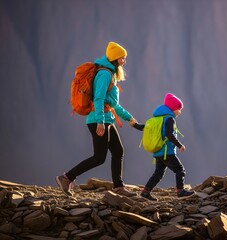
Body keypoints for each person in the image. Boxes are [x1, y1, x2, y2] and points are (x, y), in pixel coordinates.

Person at [56, 41, 138, 197]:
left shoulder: (110, 73)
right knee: (99, 157)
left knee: (118, 151)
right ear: (115, 58)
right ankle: (66, 177)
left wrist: (129, 118)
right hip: (98, 121)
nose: (124, 61)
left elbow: (113, 104)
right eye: (122, 58)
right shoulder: (105, 74)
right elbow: (99, 99)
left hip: (107, 120)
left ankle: (118, 187)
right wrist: (100, 121)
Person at [135, 93, 195, 201]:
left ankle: (145, 192)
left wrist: (135, 125)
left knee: (158, 174)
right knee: (180, 170)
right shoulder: (169, 119)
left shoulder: (157, 120)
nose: (180, 112)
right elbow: (169, 134)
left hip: (158, 152)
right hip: (168, 152)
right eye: (179, 109)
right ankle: (180, 191)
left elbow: (144, 127)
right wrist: (179, 145)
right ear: (172, 108)